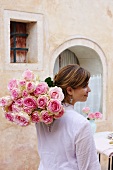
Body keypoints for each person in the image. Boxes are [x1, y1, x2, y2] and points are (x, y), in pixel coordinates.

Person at [35, 64, 101, 170]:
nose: (89, 90)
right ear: (69, 90)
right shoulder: (81, 123)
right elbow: (90, 166)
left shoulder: (42, 117)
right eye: (84, 86)